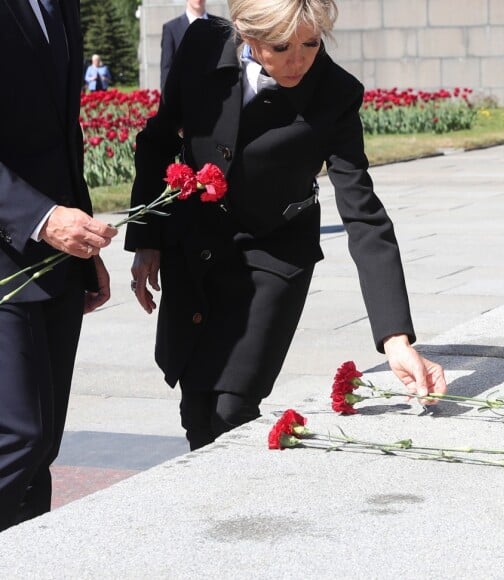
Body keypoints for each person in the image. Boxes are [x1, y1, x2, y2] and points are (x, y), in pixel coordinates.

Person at [125, 0, 447, 452]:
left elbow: (363, 212)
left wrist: (395, 339)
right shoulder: (201, 45)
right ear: (246, 33)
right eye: (281, 46)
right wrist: (147, 241)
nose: (299, 59)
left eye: (311, 43)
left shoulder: (334, 93)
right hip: (197, 247)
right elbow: (158, 141)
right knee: (196, 407)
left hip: (274, 255)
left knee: (232, 408)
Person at [0, 0, 117, 532]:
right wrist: (41, 219)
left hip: (56, 255)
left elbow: (64, 135)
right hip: (8, 253)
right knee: (16, 438)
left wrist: (81, 239)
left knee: (42, 442)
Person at [160, 0, 219, 89]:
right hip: (183, 96)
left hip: (217, 95)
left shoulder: (220, 25)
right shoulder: (171, 28)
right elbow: (166, 69)